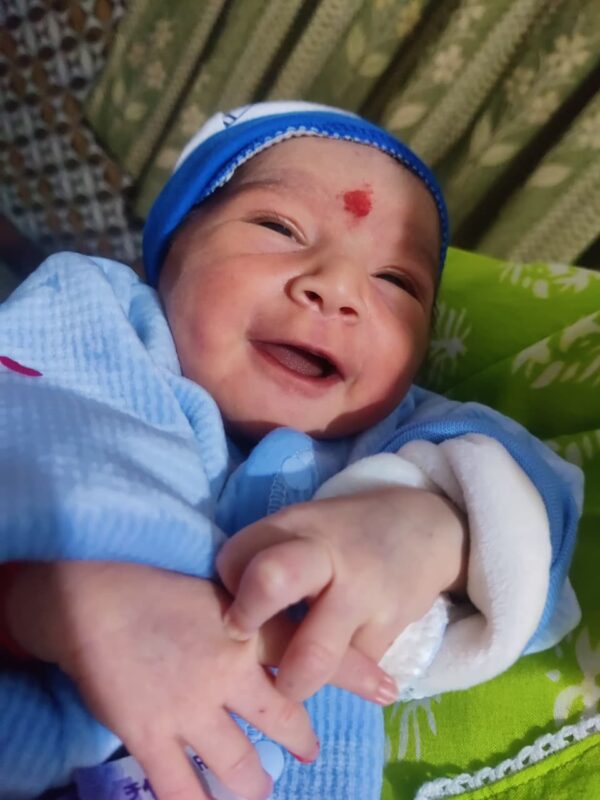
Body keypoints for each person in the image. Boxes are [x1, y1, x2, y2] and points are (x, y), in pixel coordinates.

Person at [0, 102, 583, 800]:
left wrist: (426, 529)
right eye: (279, 227)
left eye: (396, 281)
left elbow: (525, 515)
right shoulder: (96, 322)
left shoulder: (412, 435)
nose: (337, 288)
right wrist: (57, 604)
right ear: (167, 255)